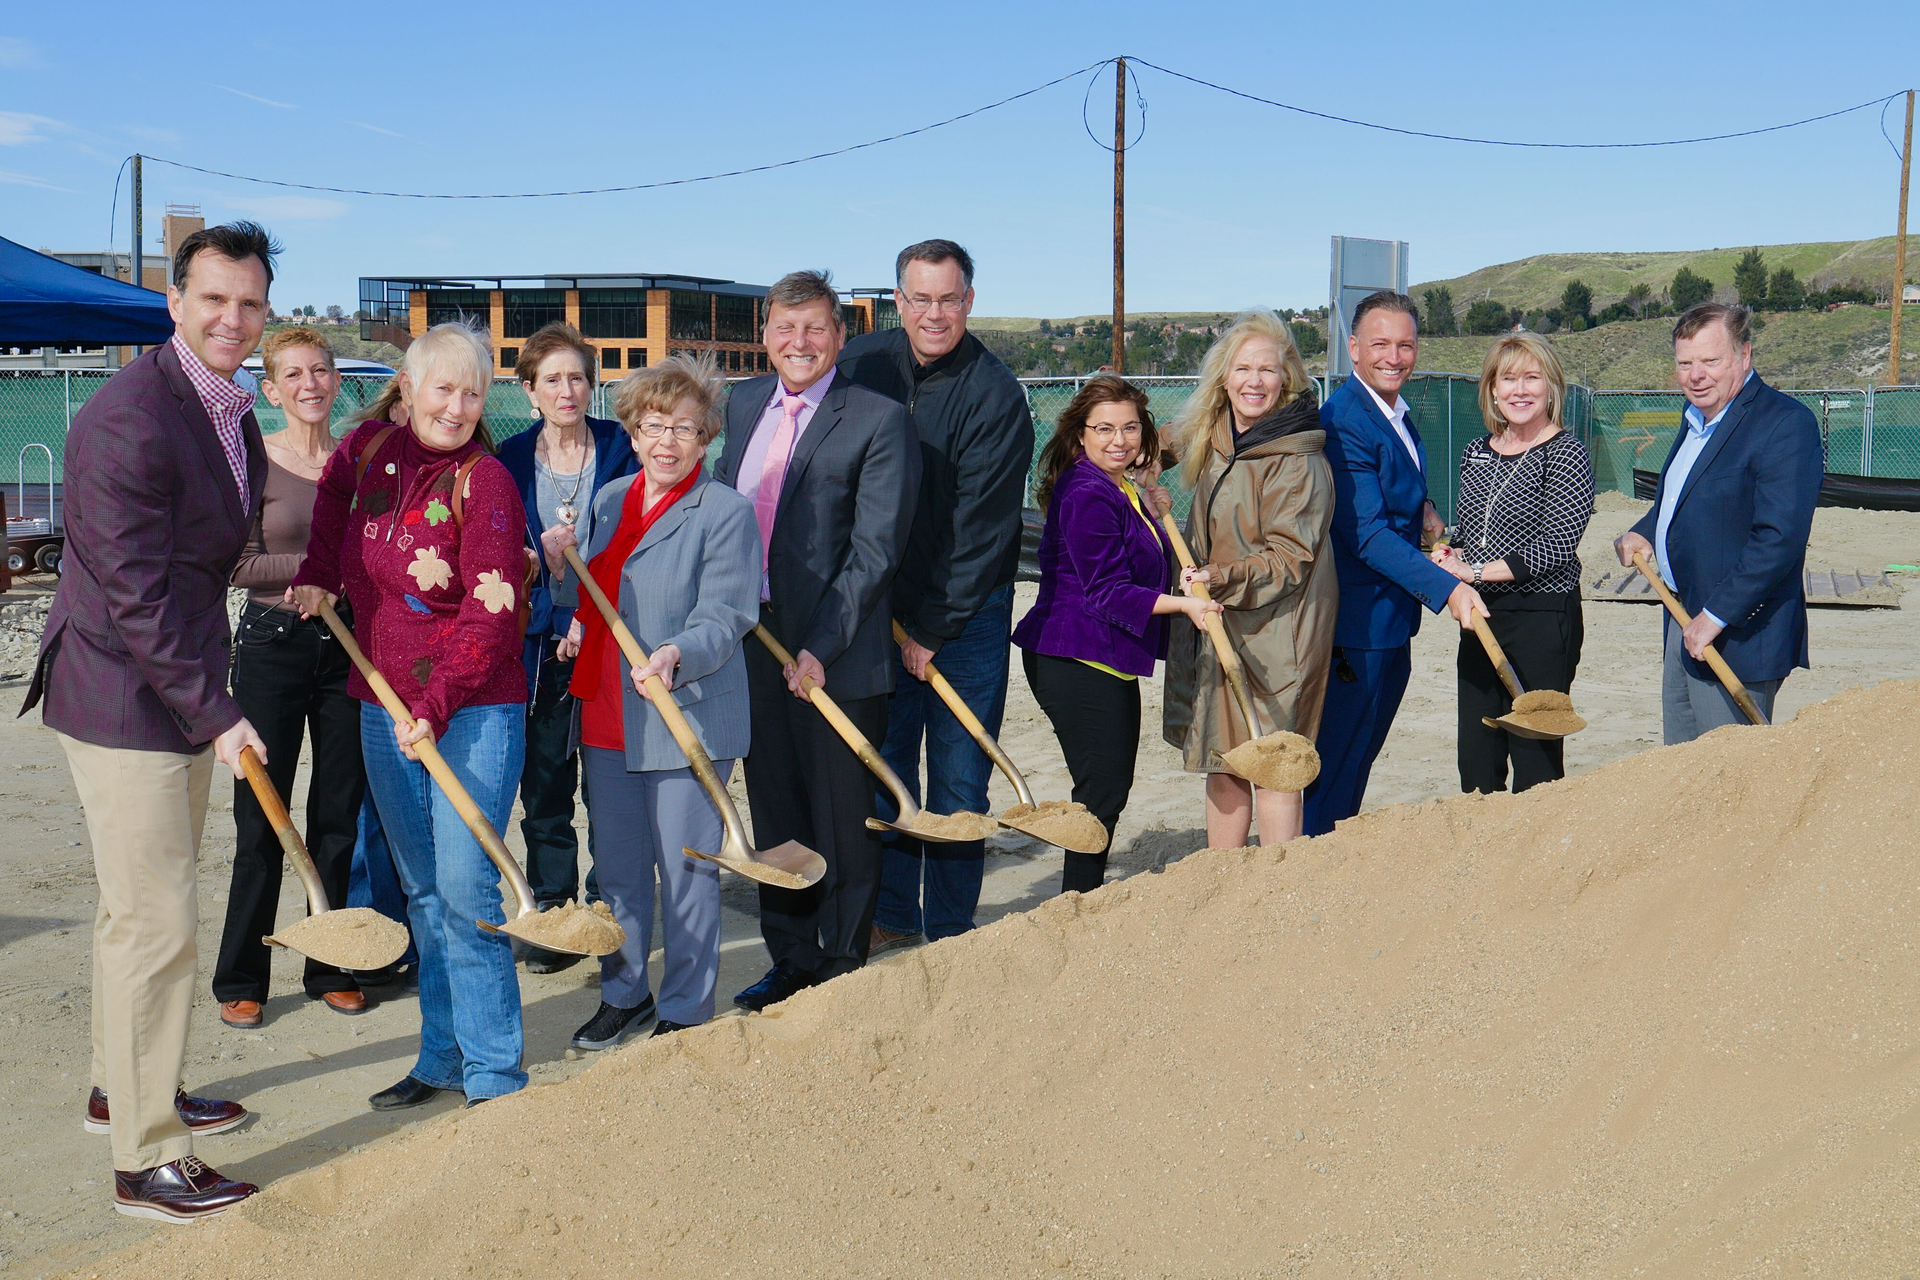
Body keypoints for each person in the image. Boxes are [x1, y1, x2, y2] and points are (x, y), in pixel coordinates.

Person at [21, 222, 280, 1220]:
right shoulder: (132, 413)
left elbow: (199, 560)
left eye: (249, 302)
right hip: (124, 693)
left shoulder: (228, 409)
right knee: (161, 922)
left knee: (134, 915)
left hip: (173, 684)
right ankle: (145, 1159)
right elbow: (131, 588)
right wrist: (221, 711)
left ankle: (120, 1085)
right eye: (213, 297)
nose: (232, 317)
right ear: (173, 301)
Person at [291, 322, 532, 1110]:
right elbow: (330, 509)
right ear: (409, 386)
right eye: (444, 388)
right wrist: (319, 575)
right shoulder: (368, 455)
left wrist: (432, 706)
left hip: (471, 714)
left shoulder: (486, 481)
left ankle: (495, 1074)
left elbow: (495, 611)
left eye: (472, 392)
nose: (458, 406)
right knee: (423, 892)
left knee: (468, 894)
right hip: (381, 708)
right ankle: (442, 1057)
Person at [712, 270, 919, 1011]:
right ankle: (790, 956)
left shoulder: (878, 418)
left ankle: (841, 957)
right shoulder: (739, 406)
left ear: (838, 336)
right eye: (784, 328)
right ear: (765, 335)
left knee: (840, 812)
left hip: (838, 649)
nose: (799, 343)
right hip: (751, 640)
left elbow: (875, 551)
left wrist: (821, 647)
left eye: (815, 329)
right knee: (777, 808)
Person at [547, 355, 759, 1045]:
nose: (667, 441)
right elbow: (597, 588)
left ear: (708, 439)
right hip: (610, 712)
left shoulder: (725, 511)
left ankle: (685, 1010)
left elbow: (727, 614)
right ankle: (625, 993)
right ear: (633, 434)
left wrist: (678, 652)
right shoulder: (609, 499)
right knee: (620, 872)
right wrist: (574, 606)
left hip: (684, 712)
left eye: (685, 429)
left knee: (687, 872)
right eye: (653, 426)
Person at [839, 239, 1034, 952]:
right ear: (898, 300)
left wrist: (931, 627)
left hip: (964, 616)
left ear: (969, 302)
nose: (934, 313)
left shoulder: (995, 395)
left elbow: (980, 533)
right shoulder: (862, 365)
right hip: (875, 608)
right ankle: (892, 916)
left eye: (948, 299)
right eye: (919, 298)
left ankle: (951, 932)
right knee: (887, 768)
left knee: (957, 780)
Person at [212, 325, 368, 1027]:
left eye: (321, 371)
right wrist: (319, 572)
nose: (310, 384)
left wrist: (339, 579)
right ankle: (242, 976)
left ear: (337, 381)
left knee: (336, 815)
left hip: (345, 649)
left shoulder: (359, 463)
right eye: (294, 375)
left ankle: (329, 962)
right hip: (272, 646)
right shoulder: (253, 463)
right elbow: (238, 565)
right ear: (269, 390)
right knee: (262, 818)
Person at [1013, 376, 1215, 892]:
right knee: (1101, 793)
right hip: (1073, 656)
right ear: (1080, 435)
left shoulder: (1119, 485)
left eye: (1129, 428)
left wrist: (1151, 506)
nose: (1118, 440)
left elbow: (1137, 557)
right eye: (1104, 429)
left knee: (1107, 790)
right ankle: (1076, 905)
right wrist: (1187, 606)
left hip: (1104, 658)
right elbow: (1108, 591)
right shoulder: (1086, 492)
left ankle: (1082, 896)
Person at [1303, 291, 1490, 837]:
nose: (1394, 356)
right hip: (1357, 628)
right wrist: (1450, 590)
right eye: (1380, 343)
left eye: (1405, 345)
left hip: (1389, 621)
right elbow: (1365, 534)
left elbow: (1391, 492)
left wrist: (1426, 510)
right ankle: (1310, 867)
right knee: (1336, 764)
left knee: (1356, 761)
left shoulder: (1393, 411)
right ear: (1353, 348)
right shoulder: (1344, 420)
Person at [1163, 310, 1337, 847]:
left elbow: (1290, 557)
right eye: (1243, 369)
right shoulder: (1215, 431)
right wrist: (1131, 447)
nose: (1254, 382)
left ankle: (1276, 889)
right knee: (1225, 751)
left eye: (1267, 369)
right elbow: (1156, 443)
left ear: (1287, 377)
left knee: (1274, 759)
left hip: (1282, 628)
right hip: (1222, 614)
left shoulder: (1297, 457)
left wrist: (1217, 576)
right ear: (1223, 376)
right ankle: (1227, 881)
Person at [495, 323, 637, 974]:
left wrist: (586, 612)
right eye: (551, 379)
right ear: (529, 390)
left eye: (577, 376)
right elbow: (494, 553)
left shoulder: (622, 447)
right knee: (546, 780)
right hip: (537, 645)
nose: (566, 389)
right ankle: (553, 909)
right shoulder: (507, 458)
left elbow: (637, 540)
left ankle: (608, 908)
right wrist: (531, 564)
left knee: (610, 784)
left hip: (609, 638)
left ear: (593, 383)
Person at [1614, 303, 1821, 743]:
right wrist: (1646, 531)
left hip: (1735, 635)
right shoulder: (1696, 420)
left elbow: (1779, 538)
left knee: (1731, 783)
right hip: (1681, 616)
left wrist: (1715, 615)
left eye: (1710, 360)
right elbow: (1683, 499)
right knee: (1685, 770)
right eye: (1685, 363)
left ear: (1744, 355)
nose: (1696, 375)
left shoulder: (1783, 423)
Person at [1432, 333, 1595, 793]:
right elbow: (1472, 535)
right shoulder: (1476, 452)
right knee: (1477, 759)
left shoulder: (1567, 451)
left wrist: (1477, 572)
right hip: (1482, 618)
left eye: (1532, 378)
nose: (1519, 390)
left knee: (1535, 760)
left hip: (1542, 617)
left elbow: (1556, 546)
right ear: (1492, 389)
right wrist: (1452, 553)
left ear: (1551, 387)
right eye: (1508, 379)